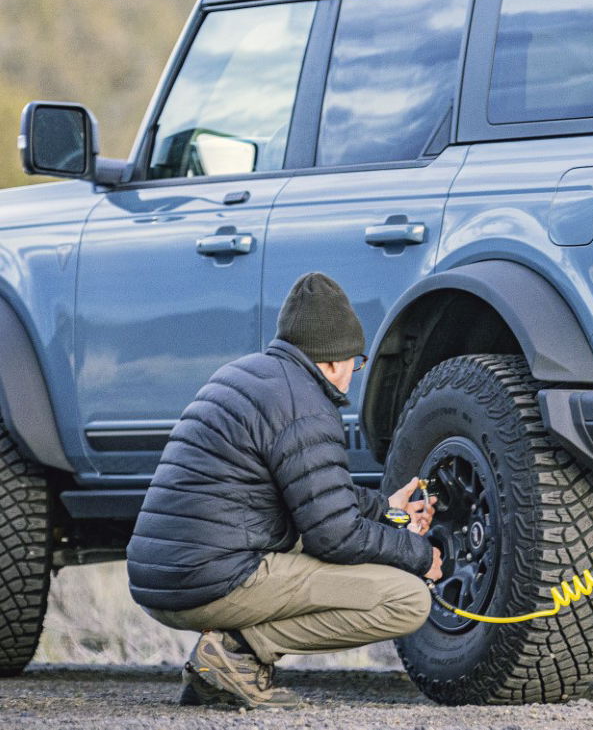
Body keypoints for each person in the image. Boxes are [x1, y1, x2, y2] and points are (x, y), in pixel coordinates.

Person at [126, 272, 442, 710]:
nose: (354, 373)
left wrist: (385, 508)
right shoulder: (306, 405)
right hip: (210, 582)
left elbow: (312, 492)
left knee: (303, 545)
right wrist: (419, 555)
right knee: (406, 599)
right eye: (356, 362)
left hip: (161, 579)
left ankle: (218, 668)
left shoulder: (246, 376)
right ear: (333, 361)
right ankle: (235, 653)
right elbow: (335, 537)